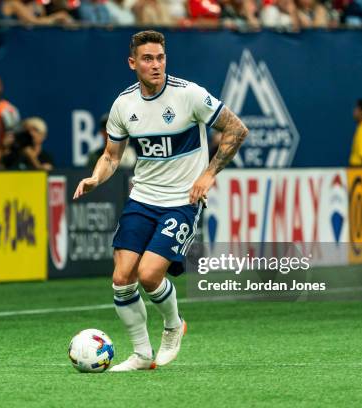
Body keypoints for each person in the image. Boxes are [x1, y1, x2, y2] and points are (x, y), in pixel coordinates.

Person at [73, 30, 248, 371]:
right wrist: (96, 177)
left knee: (150, 275)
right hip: (142, 199)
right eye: (148, 59)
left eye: (160, 58)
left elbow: (237, 129)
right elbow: (111, 156)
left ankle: (173, 325)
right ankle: (141, 354)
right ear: (133, 63)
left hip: (182, 200)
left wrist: (209, 174)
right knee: (122, 278)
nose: (156, 65)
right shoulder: (124, 105)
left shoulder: (189, 95)